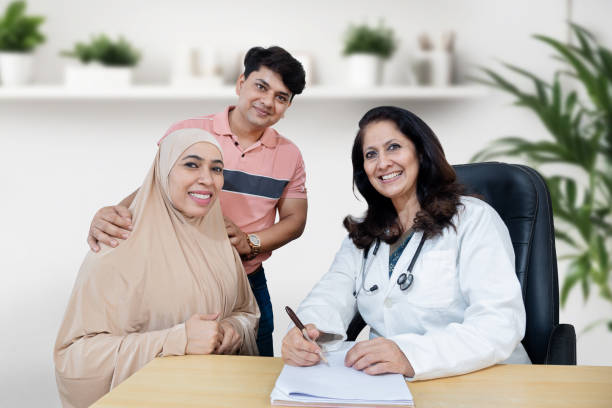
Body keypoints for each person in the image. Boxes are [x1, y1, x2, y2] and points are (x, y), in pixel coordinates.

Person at [85, 46, 308, 356]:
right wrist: (112, 214)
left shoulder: (290, 155)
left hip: (245, 281)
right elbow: (155, 186)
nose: (268, 101)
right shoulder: (188, 131)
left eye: (281, 97)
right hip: (177, 279)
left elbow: (295, 220)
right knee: (177, 368)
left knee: (257, 368)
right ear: (240, 83)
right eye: (261, 86)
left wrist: (251, 243)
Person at [281, 106, 531, 381]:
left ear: (421, 153)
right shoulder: (366, 234)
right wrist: (307, 332)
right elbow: (330, 294)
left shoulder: (473, 220)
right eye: (371, 154)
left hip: (482, 381)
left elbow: (499, 323)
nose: (383, 163)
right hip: (393, 386)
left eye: (394, 147)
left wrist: (410, 354)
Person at [54, 129, 259, 408]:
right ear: (162, 172)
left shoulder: (219, 243)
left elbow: (245, 311)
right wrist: (177, 340)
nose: (207, 179)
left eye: (216, 169)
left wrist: (232, 330)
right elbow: (75, 357)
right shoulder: (117, 246)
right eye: (191, 164)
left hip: (213, 397)